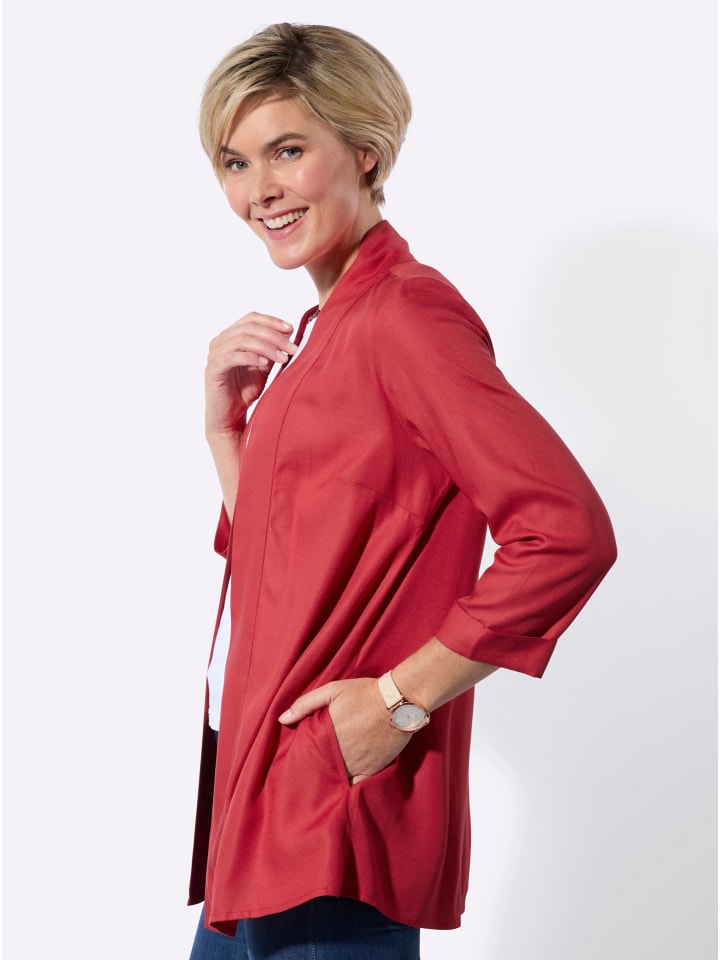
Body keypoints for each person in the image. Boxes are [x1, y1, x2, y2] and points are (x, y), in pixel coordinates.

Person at [187, 22, 617, 960]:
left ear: (365, 150)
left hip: (327, 821)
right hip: (260, 800)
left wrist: (398, 702)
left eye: (287, 151)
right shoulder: (324, 328)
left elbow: (565, 532)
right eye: (235, 162)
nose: (258, 190)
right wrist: (227, 436)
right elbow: (286, 564)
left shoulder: (404, 315)